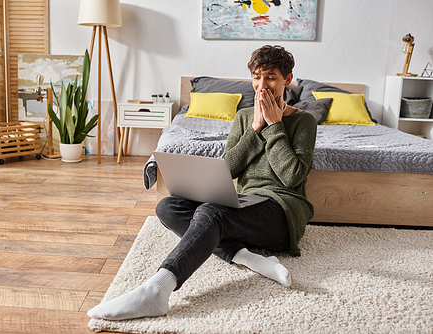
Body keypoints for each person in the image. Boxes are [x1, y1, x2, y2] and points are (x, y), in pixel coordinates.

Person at [88, 45, 317, 321]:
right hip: (247, 204)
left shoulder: (304, 121)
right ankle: (248, 257)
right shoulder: (245, 117)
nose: (261, 85)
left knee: (210, 213)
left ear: (287, 79)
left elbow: (291, 177)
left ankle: (157, 290)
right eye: (256, 77)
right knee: (168, 207)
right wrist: (256, 128)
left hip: (282, 213)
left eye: (270, 77)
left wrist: (274, 125)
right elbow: (229, 167)